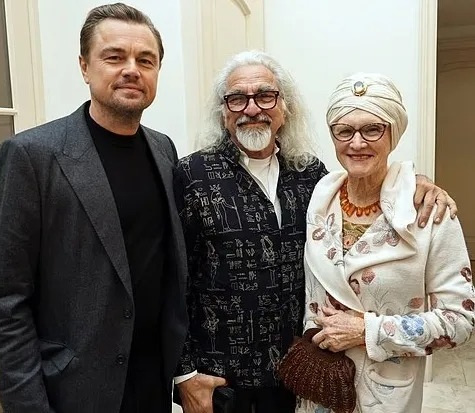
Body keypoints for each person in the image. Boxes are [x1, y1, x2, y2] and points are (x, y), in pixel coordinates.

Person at [173, 51, 456, 413]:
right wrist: (185, 374)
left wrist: (415, 183)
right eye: (237, 98)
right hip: (221, 377)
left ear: (284, 107)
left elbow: (367, 182)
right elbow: (171, 278)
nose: (252, 108)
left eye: (265, 96)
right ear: (223, 111)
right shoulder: (191, 175)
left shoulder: (311, 176)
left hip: (298, 374)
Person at [0, 3, 187, 413]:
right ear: (84, 67)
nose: (131, 69)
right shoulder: (30, 156)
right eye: (114, 57)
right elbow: (6, 302)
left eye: (145, 60)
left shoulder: (163, 149)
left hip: (152, 382)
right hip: (73, 390)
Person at [297, 73, 475, 413]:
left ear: (393, 133)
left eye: (372, 129)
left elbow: (460, 320)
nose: (357, 143)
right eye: (344, 131)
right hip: (320, 387)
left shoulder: (429, 213)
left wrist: (368, 330)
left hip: (385, 394)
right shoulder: (318, 199)